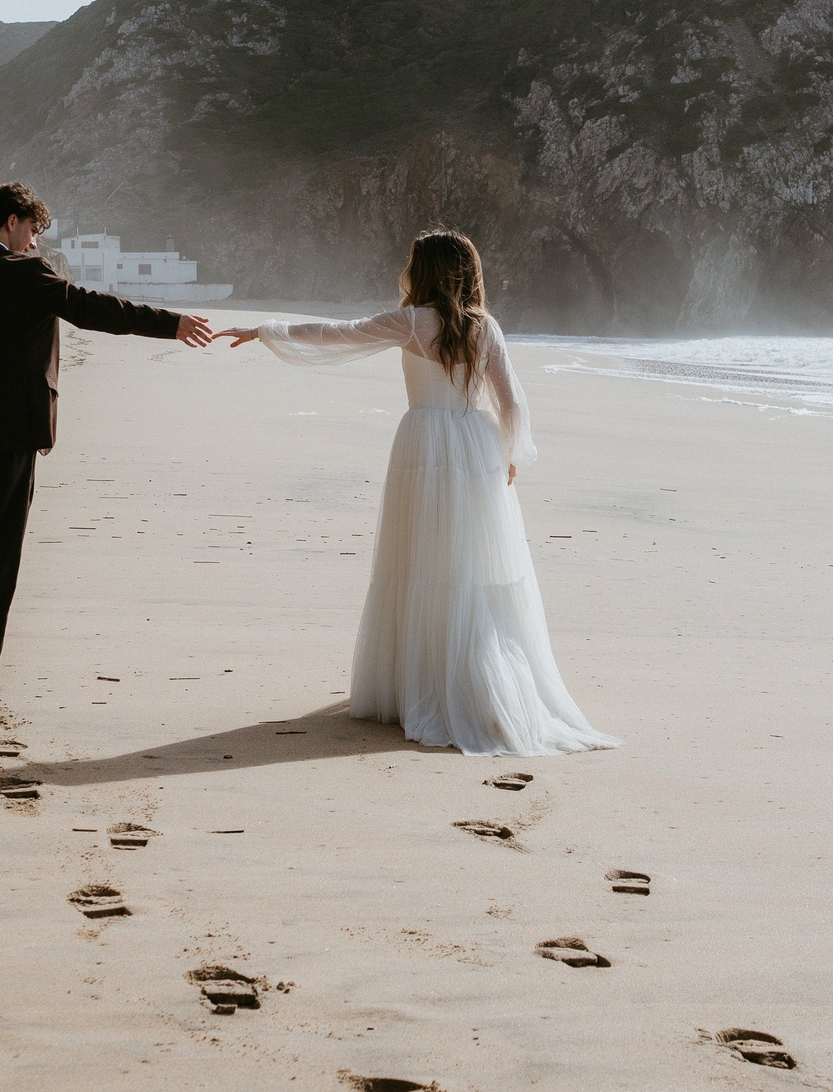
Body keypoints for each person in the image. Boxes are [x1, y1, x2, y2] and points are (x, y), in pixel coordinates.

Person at [215, 230, 617, 758]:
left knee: (420, 560)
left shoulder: (410, 322)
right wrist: (512, 456)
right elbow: (512, 401)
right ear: (468, 272)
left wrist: (268, 331)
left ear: (422, 271)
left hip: (423, 445)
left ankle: (423, 683)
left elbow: (339, 334)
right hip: (476, 446)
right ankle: (483, 680)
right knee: (473, 566)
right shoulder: (485, 328)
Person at [0, 183, 211, 695]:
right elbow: (96, 310)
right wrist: (171, 324)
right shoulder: (28, 274)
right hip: (12, 431)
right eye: (32, 230)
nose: (34, 242)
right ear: (11, 222)